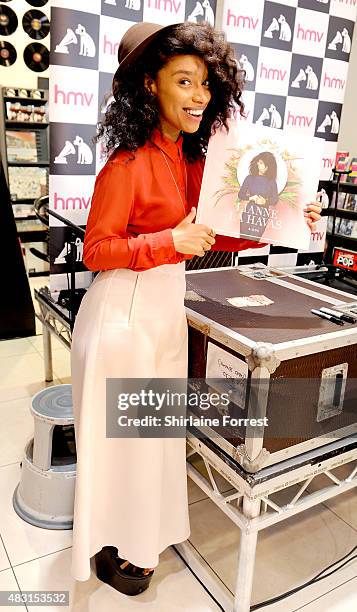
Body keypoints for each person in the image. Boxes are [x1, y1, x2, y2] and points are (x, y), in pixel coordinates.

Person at [70, 21, 322, 597]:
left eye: (206, 83)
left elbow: (217, 231)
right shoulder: (126, 164)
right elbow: (97, 249)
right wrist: (166, 243)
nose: (199, 96)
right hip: (121, 321)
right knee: (124, 444)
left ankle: (137, 546)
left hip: (160, 318)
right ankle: (124, 552)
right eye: (184, 81)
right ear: (150, 86)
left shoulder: (189, 162)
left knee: (151, 441)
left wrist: (289, 220)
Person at [238, 151, 279, 239]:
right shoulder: (249, 178)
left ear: (268, 167)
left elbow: (275, 199)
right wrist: (251, 198)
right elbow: (240, 195)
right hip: (248, 211)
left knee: (255, 239)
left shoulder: (271, 182)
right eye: (258, 162)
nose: (258, 164)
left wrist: (265, 201)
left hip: (262, 214)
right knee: (243, 237)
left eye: (261, 163)